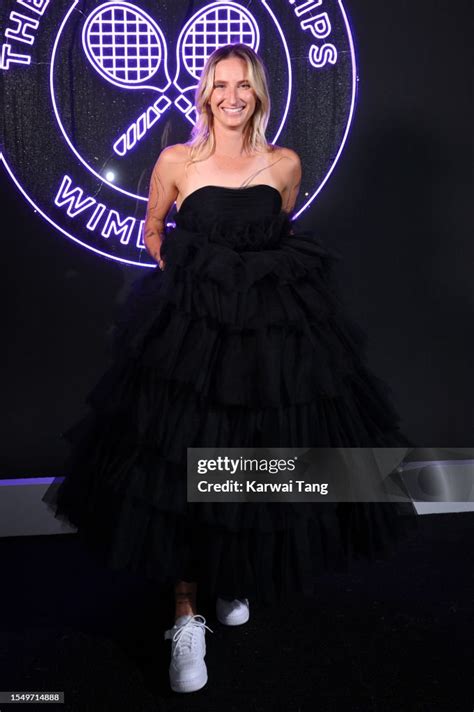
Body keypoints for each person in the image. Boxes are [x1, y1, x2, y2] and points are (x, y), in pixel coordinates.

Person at [42, 43, 418, 694]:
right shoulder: (175, 162)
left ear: (260, 94)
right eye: (221, 85)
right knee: (184, 462)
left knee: (252, 456)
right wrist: (185, 281)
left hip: (266, 339)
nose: (233, 95)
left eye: (244, 85)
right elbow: (153, 229)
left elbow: (280, 233)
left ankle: (235, 571)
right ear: (205, 94)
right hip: (190, 337)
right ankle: (186, 614)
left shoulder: (285, 164)